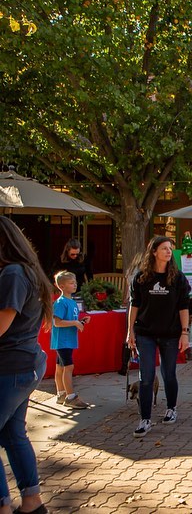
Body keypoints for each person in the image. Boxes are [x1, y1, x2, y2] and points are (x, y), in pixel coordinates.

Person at [0, 216, 52, 514]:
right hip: (23, 364)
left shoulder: (13, 274)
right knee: (11, 434)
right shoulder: (25, 272)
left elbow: (2, 324)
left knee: (12, 434)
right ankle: (32, 503)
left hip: (12, 366)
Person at [127, 236, 191, 438]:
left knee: (168, 373)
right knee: (145, 377)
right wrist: (129, 331)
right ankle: (144, 419)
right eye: (164, 248)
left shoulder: (178, 278)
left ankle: (171, 408)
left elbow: (183, 307)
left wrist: (185, 333)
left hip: (171, 334)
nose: (168, 252)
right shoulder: (141, 278)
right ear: (153, 251)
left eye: (170, 249)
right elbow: (134, 306)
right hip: (145, 333)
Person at [51, 271, 90, 409]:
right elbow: (57, 322)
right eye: (71, 283)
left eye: (75, 282)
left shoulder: (72, 302)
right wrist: (75, 323)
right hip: (63, 340)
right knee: (68, 367)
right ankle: (70, 397)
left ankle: (61, 394)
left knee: (60, 367)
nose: (75, 285)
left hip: (68, 339)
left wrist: (81, 321)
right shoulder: (61, 302)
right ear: (61, 286)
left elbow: (71, 320)